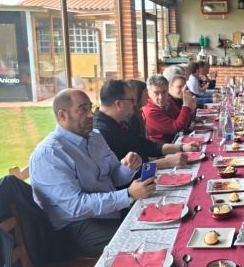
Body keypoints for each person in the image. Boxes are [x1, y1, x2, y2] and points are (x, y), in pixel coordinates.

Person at [29, 89, 155, 256]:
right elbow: (75, 206)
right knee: (143, 244)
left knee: (158, 218)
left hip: (109, 211)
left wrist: (128, 167)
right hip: (76, 227)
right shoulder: (50, 154)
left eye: (90, 107)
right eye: (82, 109)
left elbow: (113, 176)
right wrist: (128, 195)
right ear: (62, 116)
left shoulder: (94, 136)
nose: (91, 115)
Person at [94, 80, 202, 172]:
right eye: (132, 100)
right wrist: (166, 162)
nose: (134, 104)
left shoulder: (119, 121)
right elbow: (123, 175)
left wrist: (182, 147)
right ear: (118, 104)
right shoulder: (101, 133)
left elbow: (146, 145)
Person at [143, 74, 196, 143]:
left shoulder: (168, 101)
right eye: (156, 93)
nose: (161, 97)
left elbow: (184, 123)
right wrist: (186, 105)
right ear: (148, 93)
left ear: (168, 90)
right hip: (162, 148)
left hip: (177, 140)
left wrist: (191, 110)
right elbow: (177, 128)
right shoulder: (149, 111)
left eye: (164, 92)